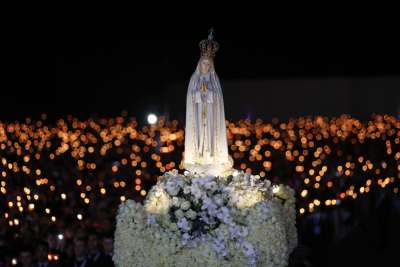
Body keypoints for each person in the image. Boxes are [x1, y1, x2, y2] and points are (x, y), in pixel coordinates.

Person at [183, 29, 233, 177]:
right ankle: (198, 157)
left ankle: (212, 157)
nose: (206, 65)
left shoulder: (214, 81)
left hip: (211, 115)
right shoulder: (194, 80)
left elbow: (217, 99)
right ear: (200, 64)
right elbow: (191, 98)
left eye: (208, 63)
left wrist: (209, 94)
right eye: (204, 63)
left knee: (211, 135)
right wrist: (199, 94)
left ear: (211, 65)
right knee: (199, 134)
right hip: (198, 114)